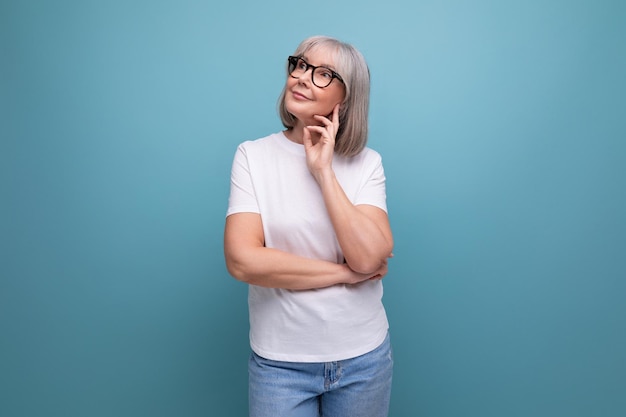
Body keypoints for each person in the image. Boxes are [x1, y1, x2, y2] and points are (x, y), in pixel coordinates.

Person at [224, 35, 394, 417]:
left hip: (363, 360)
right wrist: (343, 274)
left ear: (345, 99)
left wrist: (323, 172)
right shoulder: (253, 156)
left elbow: (368, 258)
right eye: (300, 65)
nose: (301, 77)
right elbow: (243, 262)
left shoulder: (367, 164)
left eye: (323, 74)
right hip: (280, 364)